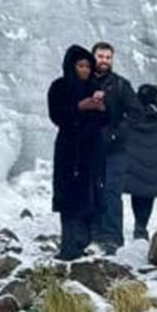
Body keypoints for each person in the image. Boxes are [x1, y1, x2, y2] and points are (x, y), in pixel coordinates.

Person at [48, 45, 107, 260]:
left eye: (88, 66)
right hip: (70, 148)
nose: (85, 70)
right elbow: (56, 115)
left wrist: (101, 109)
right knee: (70, 197)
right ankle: (69, 247)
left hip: (92, 148)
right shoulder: (60, 86)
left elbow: (105, 120)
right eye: (80, 66)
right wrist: (79, 107)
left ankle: (84, 242)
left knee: (91, 195)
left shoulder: (94, 87)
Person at [87, 41, 141, 253]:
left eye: (108, 57)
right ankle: (90, 234)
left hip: (115, 149)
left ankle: (111, 238)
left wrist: (117, 133)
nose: (104, 61)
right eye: (100, 57)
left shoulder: (120, 85)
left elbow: (136, 113)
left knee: (111, 191)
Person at [121, 84, 157, 241]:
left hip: (134, 164)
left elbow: (118, 134)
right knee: (148, 196)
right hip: (155, 165)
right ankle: (141, 227)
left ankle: (137, 226)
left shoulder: (129, 118)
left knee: (137, 193)